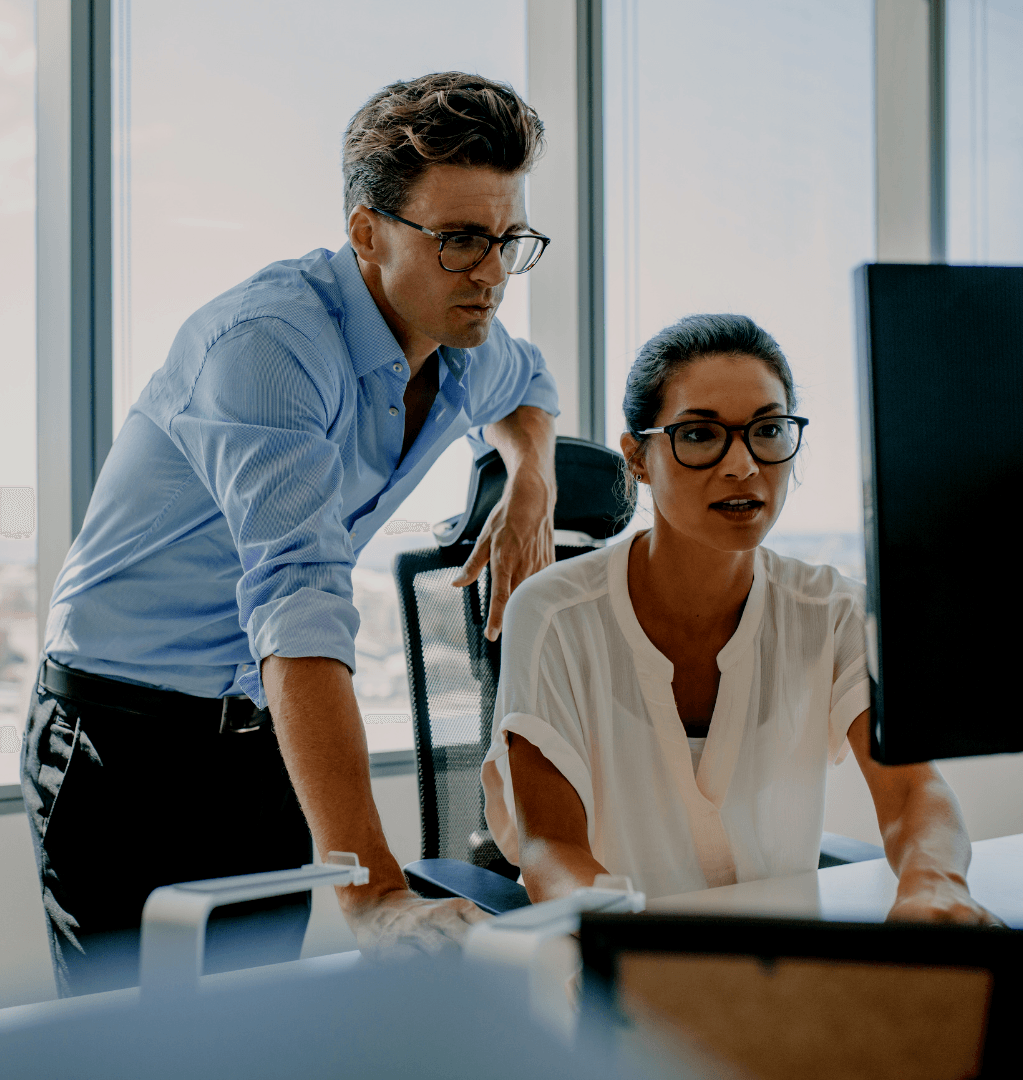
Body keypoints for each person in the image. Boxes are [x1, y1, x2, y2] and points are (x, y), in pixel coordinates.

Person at [22, 71, 561, 996]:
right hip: (123, 736)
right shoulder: (268, 346)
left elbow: (530, 389)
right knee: (124, 1050)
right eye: (462, 241)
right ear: (366, 232)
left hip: (263, 738)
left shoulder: (464, 341)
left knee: (254, 1021)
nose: (493, 273)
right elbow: (299, 602)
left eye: (509, 239)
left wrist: (531, 484)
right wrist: (378, 897)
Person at [482, 314, 1001, 925]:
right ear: (639, 457)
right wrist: (646, 954)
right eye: (701, 434)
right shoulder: (553, 613)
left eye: (768, 430)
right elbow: (551, 847)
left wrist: (932, 884)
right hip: (610, 977)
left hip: (779, 975)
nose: (743, 465)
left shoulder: (831, 612)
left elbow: (914, 793)